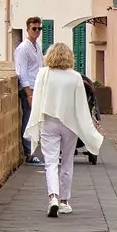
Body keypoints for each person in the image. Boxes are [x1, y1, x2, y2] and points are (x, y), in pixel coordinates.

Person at [24, 41, 103, 216]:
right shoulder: (75, 77)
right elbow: (81, 105)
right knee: (67, 162)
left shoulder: (43, 74)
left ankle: (53, 196)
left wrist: (35, 122)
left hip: (49, 121)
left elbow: (37, 100)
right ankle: (65, 201)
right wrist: (88, 128)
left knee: (51, 162)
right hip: (69, 124)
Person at [12, 17, 45, 164]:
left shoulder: (36, 47)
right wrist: (28, 94)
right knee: (28, 119)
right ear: (27, 29)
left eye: (39, 29)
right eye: (34, 29)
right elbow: (22, 72)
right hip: (29, 89)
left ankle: (32, 149)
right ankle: (28, 153)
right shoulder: (23, 48)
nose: (37, 32)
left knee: (35, 120)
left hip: (36, 87)